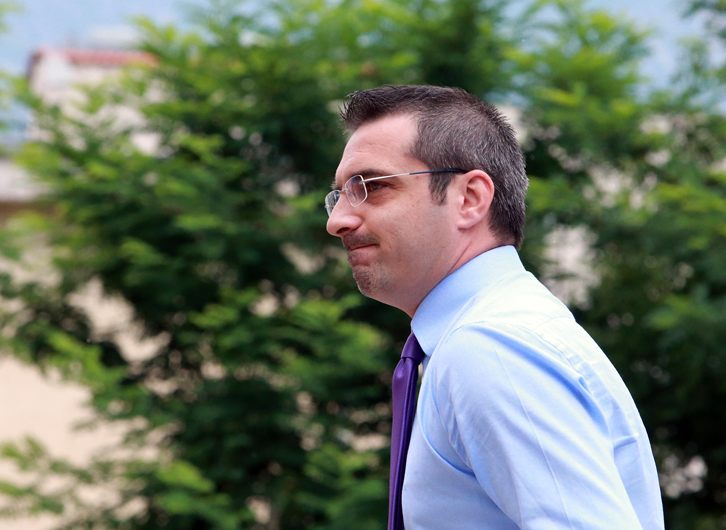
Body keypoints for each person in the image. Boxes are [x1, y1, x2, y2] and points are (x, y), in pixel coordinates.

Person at [324, 85, 664, 529]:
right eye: (338, 195)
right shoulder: (503, 330)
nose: (337, 221)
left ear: (469, 198)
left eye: (370, 186)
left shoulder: (491, 347)